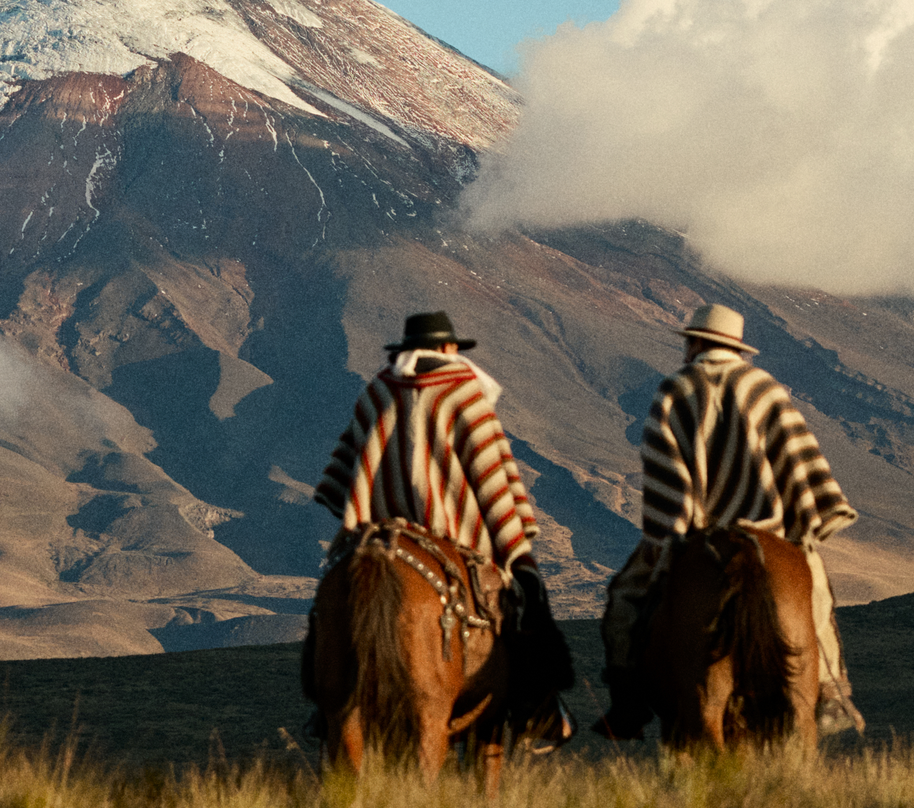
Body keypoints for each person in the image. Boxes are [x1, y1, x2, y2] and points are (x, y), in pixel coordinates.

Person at [597, 303, 862, 737]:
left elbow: (663, 465)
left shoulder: (677, 389)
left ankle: (626, 703)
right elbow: (796, 457)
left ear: (698, 342)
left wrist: (672, 531)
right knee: (817, 601)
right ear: (736, 347)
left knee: (625, 598)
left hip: (698, 534)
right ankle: (832, 692)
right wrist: (800, 524)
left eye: (689, 342)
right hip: (770, 529)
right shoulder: (765, 389)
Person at [310, 309, 572, 744]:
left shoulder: (378, 390)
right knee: (527, 600)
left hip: (378, 532)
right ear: (449, 349)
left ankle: (324, 710)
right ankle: (538, 708)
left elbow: (347, 473)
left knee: (325, 611)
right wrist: (515, 545)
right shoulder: (465, 393)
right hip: (456, 535)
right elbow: (491, 478)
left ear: (407, 349)